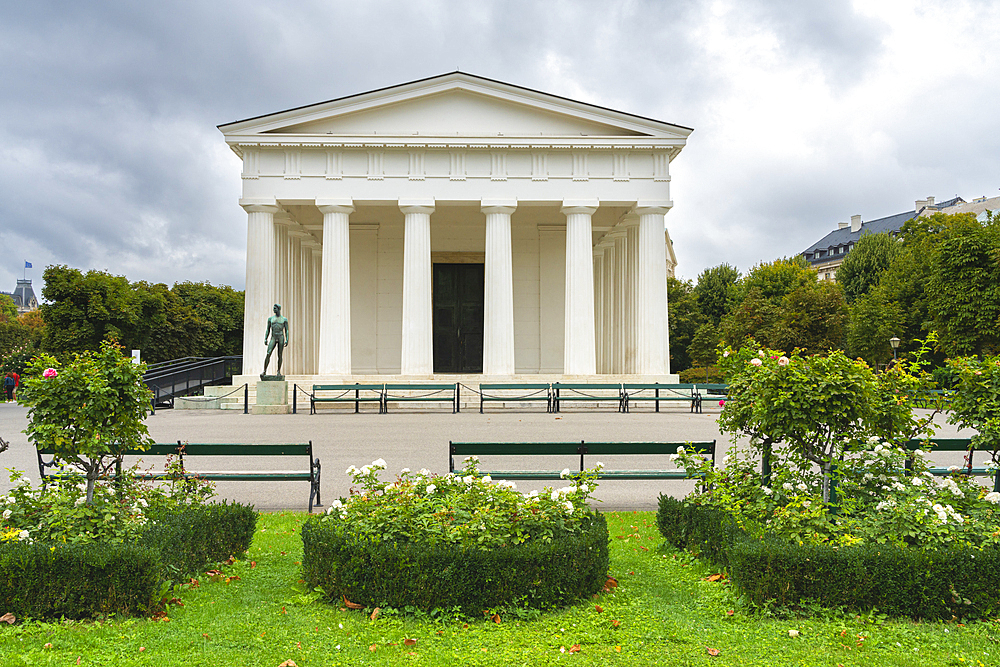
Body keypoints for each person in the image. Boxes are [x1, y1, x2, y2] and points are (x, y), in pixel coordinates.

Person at [261, 303, 289, 378]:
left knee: (279, 355)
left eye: (275, 308)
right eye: (273, 308)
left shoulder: (284, 319)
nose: (273, 310)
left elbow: (286, 330)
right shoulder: (270, 319)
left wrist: (287, 339)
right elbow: (268, 329)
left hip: (280, 337)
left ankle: (278, 371)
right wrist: (265, 338)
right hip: (273, 337)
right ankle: (264, 370)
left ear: (278, 309)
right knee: (268, 353)